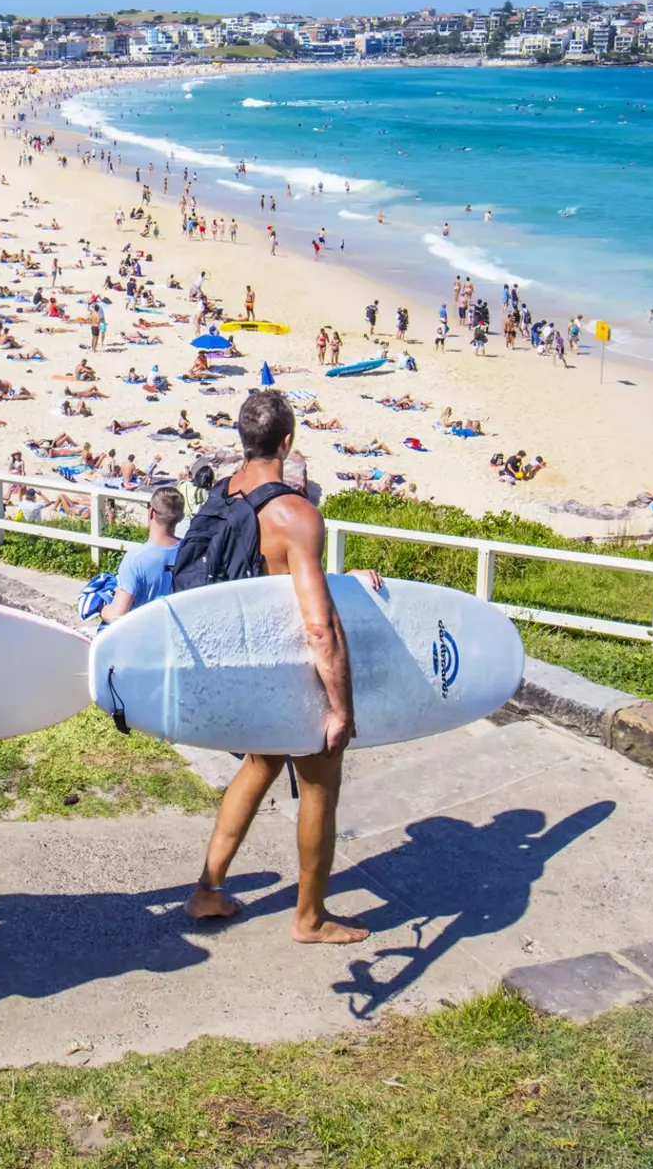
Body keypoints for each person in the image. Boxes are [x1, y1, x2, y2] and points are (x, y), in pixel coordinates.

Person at [183, 390, 379, 944]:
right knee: (320, 785)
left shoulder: (222, 496)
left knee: (259, 764)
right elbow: (319, 625)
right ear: (288, 442)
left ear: (244, 440)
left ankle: (207, 891)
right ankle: (310, 918)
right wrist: (341, 707)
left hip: (242, 665)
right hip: (290, 672)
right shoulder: (294, 514)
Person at [102, 487, 185, 622]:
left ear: (151, 512)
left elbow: (117, 616)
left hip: (145, 635)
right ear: (180, 517)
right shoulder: (190, 551)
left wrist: (102, 609)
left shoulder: (135, 559)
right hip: (178, 633)